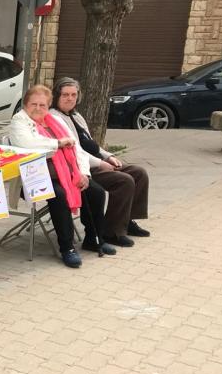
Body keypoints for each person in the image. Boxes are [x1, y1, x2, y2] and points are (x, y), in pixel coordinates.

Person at [9, 85, 116, 267]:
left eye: (43, 105)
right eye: (33, 104)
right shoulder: (19, 121)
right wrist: (58, 143)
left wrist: (83, 173)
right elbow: (28, 143)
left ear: (48, 106)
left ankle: (94, 239)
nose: (38, 108)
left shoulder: (55, 121)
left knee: (96, 192)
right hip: (35, 177)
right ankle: (67, 248)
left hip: (67, 172)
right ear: (25, 105)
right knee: (60, 195)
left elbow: (77, 149)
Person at [51, 77, 151, 247]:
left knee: (139, 173)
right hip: (82, 166)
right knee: (124, 181)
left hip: (96, 159)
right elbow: (75, 150)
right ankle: (112, 232)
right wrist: (100, 162)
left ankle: (127, 221)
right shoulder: (55, 117)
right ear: (57, 96)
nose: (70, 98)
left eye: (74, 95)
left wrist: (108, 156)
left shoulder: (76, 115)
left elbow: (91, 143)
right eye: (65, 95)